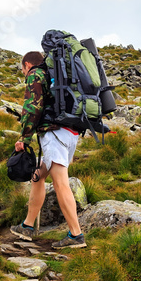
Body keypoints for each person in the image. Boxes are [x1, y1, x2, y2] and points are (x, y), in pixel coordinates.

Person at [9, 51, 87, 249]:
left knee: (60, 183)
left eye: (22, 69)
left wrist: (24, 139)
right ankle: (27, 226)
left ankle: (76, 235)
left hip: (55, 134)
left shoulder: (36, 74)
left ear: (27, 64)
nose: (24, 73)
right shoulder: (54, 76)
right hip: (70, 132)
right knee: (38, 175)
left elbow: (33, 107)